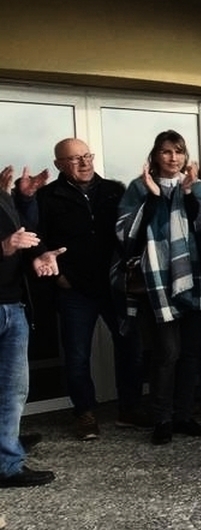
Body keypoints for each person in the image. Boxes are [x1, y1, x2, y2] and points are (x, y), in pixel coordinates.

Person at [16, 138, 146, 440]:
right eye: (75, 159)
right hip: (75, 289)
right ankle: (85, 413)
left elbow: (133, 230)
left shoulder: (114, 190)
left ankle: (130, 408)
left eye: (87, 156)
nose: (84, 163)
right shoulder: (48, 196)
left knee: (131, 347)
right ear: (59, 164)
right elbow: (35, 237)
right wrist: (60, 278)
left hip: (115, 286)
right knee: (76, 355)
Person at [115, 130, 201, 445]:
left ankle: (183, 416)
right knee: (167, 353)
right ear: (155, 156)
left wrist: (189, 196)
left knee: (191, 352)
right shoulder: (138, 188)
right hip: (158, 280)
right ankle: (161, 419)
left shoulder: (198, 187)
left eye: (178, 152)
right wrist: (151, 197)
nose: (173, 158)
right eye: (166, 152)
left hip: (194, 279)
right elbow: (124, 232)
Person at [0, 165, 61, 488]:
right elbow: (8, 244)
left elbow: (23, 235)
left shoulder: (2, 193)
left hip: (13, 305)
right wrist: (4, 247)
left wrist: (37, 256)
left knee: (12, 390)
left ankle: (7, 459)